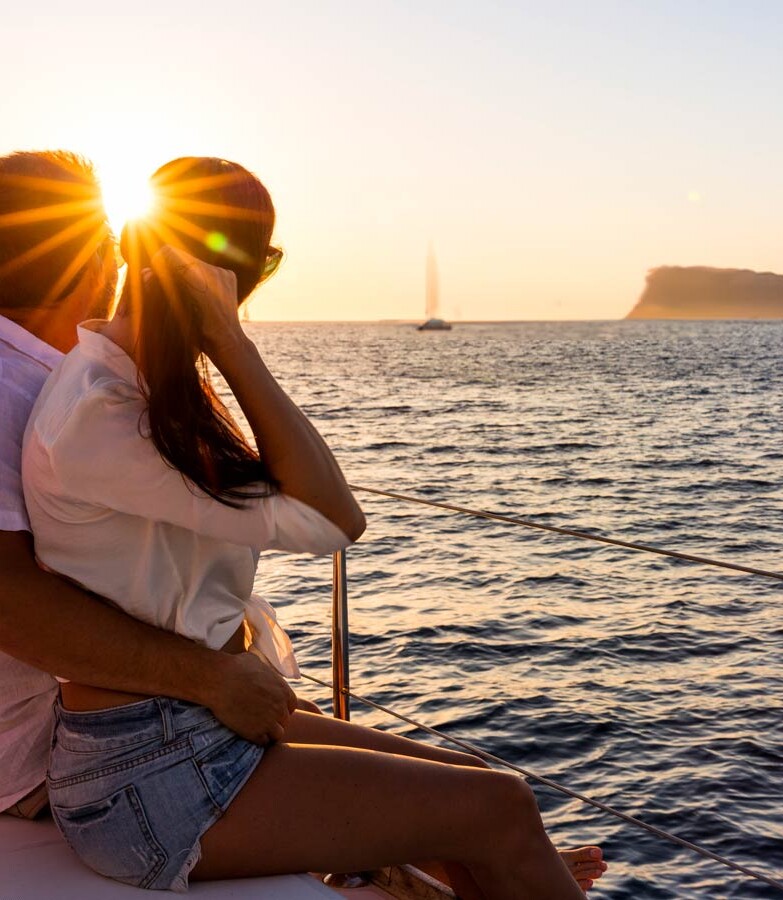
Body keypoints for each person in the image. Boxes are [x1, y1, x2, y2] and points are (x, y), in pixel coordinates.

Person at [21, 156, 606, 899]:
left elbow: (318, 511)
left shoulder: (137, 385)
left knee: (480, 789)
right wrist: (231, 341)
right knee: (502, 810)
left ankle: (519, 873)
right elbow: (336, 518)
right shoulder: (102, 412)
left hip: (181, 731)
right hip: (142, 776)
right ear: (249, 273)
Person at [0, 150, 301, 826]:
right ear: (100, 261)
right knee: (476, 813)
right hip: (56, 757)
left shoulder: (59, 376)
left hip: (115, 719)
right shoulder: (23, 388)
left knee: (453, 806)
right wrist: (213, 680)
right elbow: (8, 602)